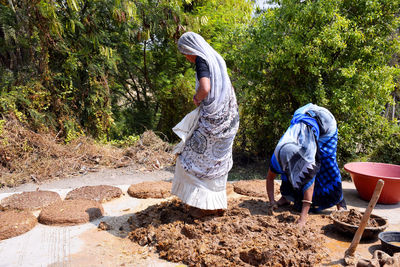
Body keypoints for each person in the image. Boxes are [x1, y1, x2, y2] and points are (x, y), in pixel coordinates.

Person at [171, 32, 239, 218]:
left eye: (185, 53)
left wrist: (197, 98)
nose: (186, 57)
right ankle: (216, 204)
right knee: (217, 161)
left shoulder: (202, 60)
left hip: (213, 124)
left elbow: (205, 87)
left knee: (189, 159)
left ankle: (202, 207)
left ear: (191, 49)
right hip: (229, 121)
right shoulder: (216, 59)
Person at [266, 103, 346, 226]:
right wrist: (271, 201)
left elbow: (310, 185)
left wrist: (303, 218)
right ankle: (287, 197)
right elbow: (270, 178)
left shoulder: (307, 159)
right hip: (303, 114)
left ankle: (340, 202)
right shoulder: (278, 155)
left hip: (326, 123)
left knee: (327, 162)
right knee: (289, 171)